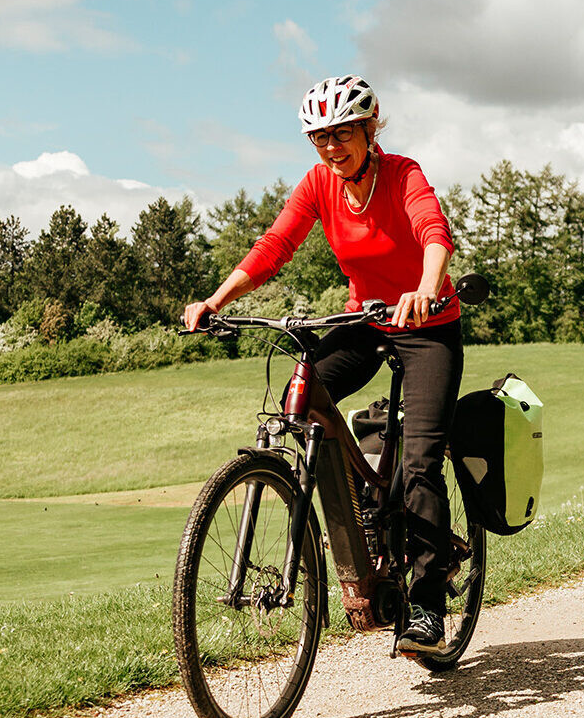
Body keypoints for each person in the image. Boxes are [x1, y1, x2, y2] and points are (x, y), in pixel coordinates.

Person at [182, 75, 461, 655]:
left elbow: (433, 233)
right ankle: (363, 489)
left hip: (428, 325)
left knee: (420, 462)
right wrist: (217, 299)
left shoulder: (403, 174)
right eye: (319, 139)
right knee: (303, 393)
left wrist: (426, 289)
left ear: (368, 128)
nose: (331, 149)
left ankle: (430, 603)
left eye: (340, 135)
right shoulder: (319, 184)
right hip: (365, 321)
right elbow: (274, 246)